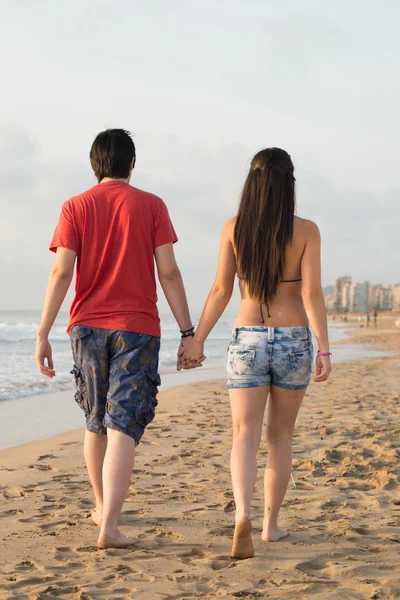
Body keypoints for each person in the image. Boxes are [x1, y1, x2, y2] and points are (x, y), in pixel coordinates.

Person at [35, 129, 202, 549]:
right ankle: (109, 525)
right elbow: (168, 273)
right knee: (122, 427)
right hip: (137, 329)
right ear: (132, 163)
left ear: (95, 165)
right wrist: (188, 332)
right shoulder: (152, 205)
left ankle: (99, 506)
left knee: (95, 423)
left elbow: (61, 273)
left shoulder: (75, 206)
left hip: (87, 328)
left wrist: (43, 333)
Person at [179, 148, 332, 559]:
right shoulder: (307, 231)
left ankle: (241, 516)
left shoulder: (234, 228)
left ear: (252, 183)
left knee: (243, 435)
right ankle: (270, 526)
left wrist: (196, 339)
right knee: (280, 436)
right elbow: (311, 293)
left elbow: (220, 291)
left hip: (246, 338)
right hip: (292, 339)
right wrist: (325, 348)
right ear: (289, 185)